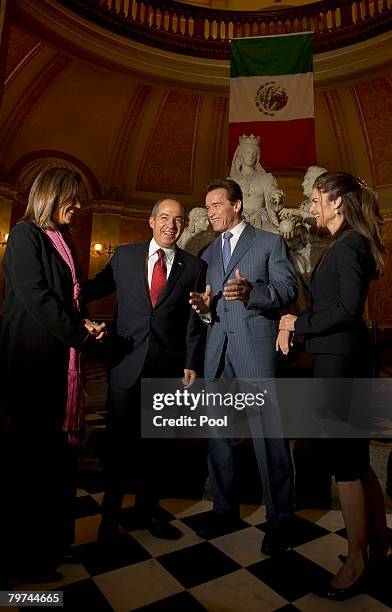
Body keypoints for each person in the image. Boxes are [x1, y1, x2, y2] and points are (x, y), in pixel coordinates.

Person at [278, 172, 389, 600]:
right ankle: (378, 547)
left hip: (341, 366)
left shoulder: (350, 244)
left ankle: (357, 563)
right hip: (342, 361)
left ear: (337, 202)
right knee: (356, 461)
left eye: (315, 199)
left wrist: (295, 322)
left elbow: (343, 310)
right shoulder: (347, 243)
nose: (311, 207)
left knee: (345, 465)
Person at [0, 167, 105, 582]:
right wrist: (82, 332)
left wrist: (85, 322)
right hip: (31, 367)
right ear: (51, 194)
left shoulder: (62, 239)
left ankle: (52, 544)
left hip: (59, 366)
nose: (78, 205)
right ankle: (22, 560)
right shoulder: (26, 236)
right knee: (28, 465)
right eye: (72, 197)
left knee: (57, 462)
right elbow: (39, 301)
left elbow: (72, 294)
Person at [83, 198, 206, 541]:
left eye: (178, 219)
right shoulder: (124, 256)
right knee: (119, 448)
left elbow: (194, 323)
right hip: (125, 365)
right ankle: (109, 518)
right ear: (151, 221)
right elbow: (93, 289)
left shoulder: (194, 267)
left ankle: (148, 512)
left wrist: (191, 362)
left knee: (157, 448)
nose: (171, 224)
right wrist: (67, 302)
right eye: (164, 217)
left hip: (167, 368)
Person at [189, 178, 298, 554]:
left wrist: (256, 293)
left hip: (255, 352)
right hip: (217, 352)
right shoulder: (206, 254)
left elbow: (287, 289)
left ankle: (281, 520)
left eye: (216, 204)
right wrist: (204, 312)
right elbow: (207, 305)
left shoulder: (268, 242)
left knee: (269, 436)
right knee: (221, 437)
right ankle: (224, 511)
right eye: (208, 206)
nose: (211, 212)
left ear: (236, 205)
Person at [229, 134, 284, 232]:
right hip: (238, 221)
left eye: (254, 153)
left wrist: (276, 198)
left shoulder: (266, 178)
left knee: (276, 235)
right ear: (241, 154)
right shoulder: (231, 181)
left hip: (261, 221)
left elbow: (272, 198)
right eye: (248, 152)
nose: (251, 156)